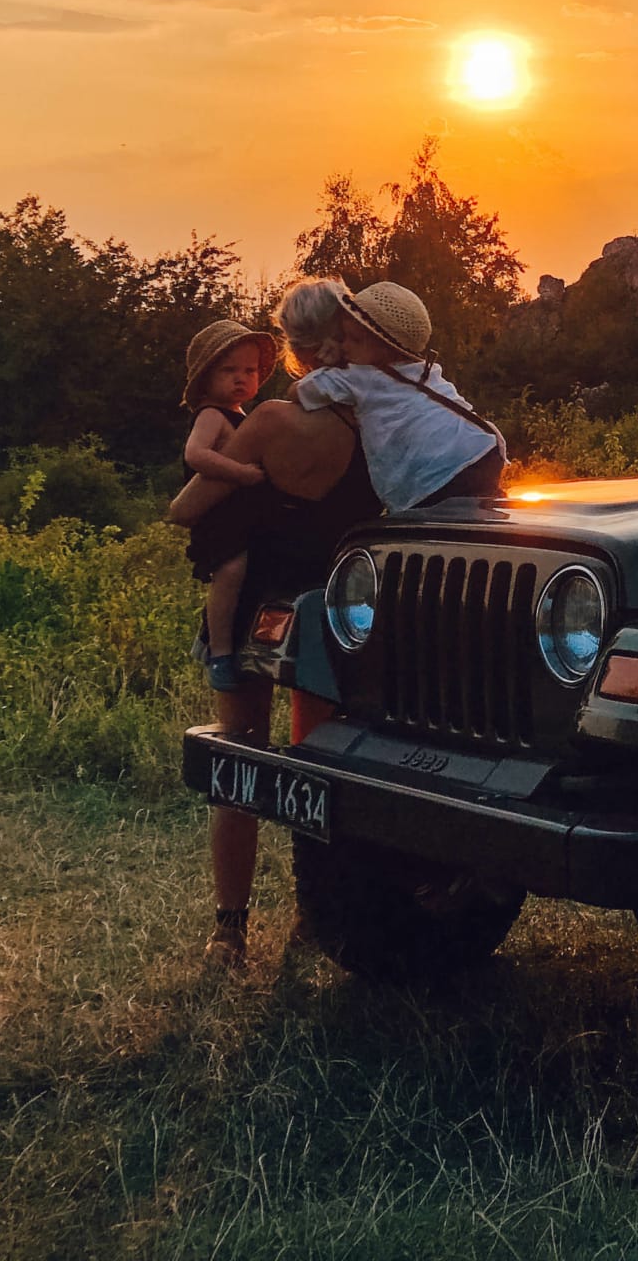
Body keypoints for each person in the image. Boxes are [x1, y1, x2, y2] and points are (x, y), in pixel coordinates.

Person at [169, 280, 378, 966]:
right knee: (328, 766)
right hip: (338, 612)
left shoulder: (268, 425)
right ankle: (319, 914)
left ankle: (229, 929)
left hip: (260, 606)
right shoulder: (376, 424)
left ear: (289, 352)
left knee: (239, 759)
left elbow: (189, 507)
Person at [294, 279, 509, 510]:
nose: (344, 345)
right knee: (484, 516)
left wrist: (329, 363)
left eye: (354, 340)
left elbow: (301, 391)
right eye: (344, 336)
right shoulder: (425, 370)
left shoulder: (358, 377)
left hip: (435, 478)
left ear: (385, 350)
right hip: (481, 447)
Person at [179, 320, 275, 694]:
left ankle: (243, 640)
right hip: (216, 517)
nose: (241, 379)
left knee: (250, 573)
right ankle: (219, 653)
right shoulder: (211, 415)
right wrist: (240, 473)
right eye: (229, 370)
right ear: (206, 377)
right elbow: (196, 455)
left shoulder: (242, 416)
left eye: (249, 371)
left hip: (241, 517)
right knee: (230, 570)